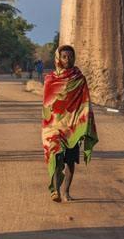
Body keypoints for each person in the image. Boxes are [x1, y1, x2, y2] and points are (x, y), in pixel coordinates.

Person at [41, 45, 97, 202]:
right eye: (64, 56)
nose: (68, 59)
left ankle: (66, 191)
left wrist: (84, 123)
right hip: (54, 127)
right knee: (55, 156)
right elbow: (47, 105)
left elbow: (85, 102)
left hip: (72, 126)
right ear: (59, 58)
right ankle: (55, 191)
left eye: (71, 56)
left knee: (71, 162)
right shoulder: (50, 79)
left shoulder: (79, 79)